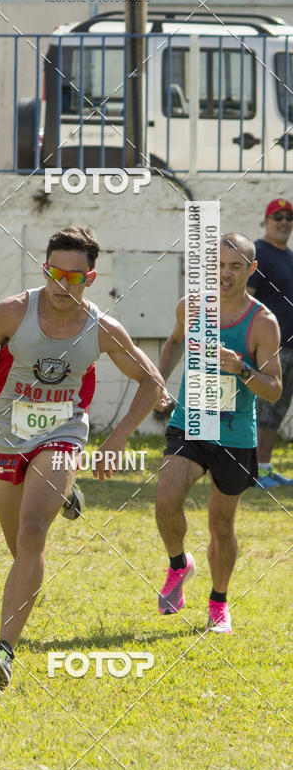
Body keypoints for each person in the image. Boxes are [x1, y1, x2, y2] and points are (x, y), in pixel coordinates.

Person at [0, 225, 164, 689]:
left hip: (62, 432)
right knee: (20, 552)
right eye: (54, 272)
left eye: (74, 276)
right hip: (4, 434)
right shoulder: (13, 311)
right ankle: (66, 497)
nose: (61, 284)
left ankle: (3, 650)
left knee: (31, 535)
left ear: (90, 278)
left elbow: (152, 381)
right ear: (44, 268)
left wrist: (117, 438)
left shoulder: (103, 328)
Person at [156, 233, 282, 634]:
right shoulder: (191, 307)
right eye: (218, 266)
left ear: (251, 270)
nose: (225, 274)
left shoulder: (262, 322)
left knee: (220, 525)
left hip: (234, 433)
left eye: (235, 266)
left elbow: (274, 388)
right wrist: (159, 381)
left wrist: (242, 369)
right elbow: (174, 343)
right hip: (192, 422)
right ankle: (179, 565)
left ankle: (218, 603)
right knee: (166, 498)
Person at [247, 198, 293, 488]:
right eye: (277, 217)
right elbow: (245, 298)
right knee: (261, 410)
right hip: (267, 348)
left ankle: (264, 468)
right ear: (265, 221)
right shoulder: (258, 253)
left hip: (290, 348)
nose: (284, 222)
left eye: (289, 218)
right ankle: (251, 473)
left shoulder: (289, 256)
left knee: (276, 410)